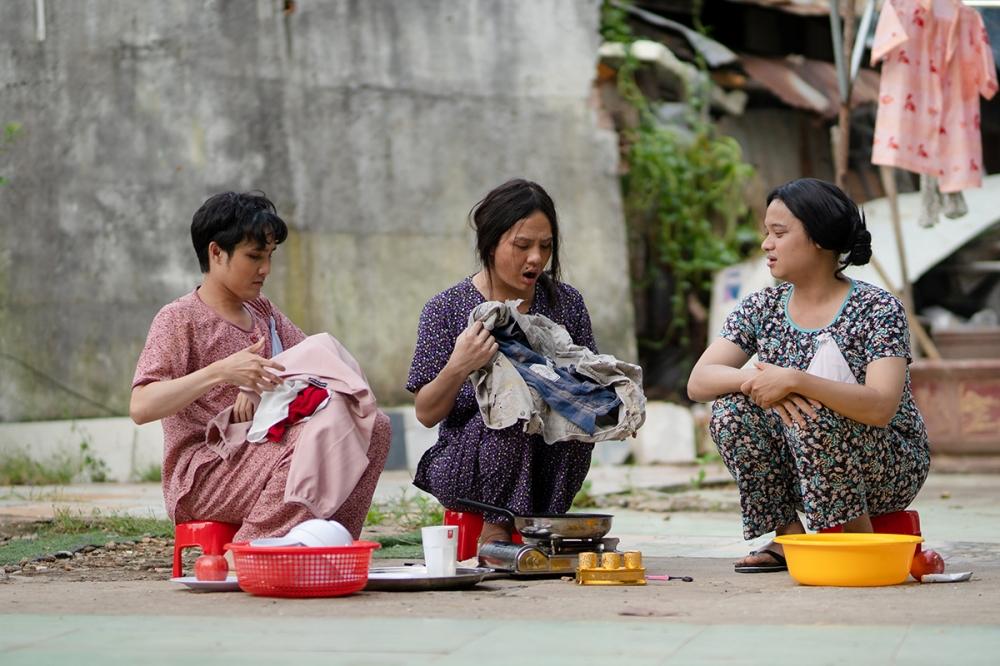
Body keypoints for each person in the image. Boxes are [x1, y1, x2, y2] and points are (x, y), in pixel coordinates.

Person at [687, 178, 930, 573]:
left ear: (818, 238)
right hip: (802, 465)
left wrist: (797, 381)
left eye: (779, 233)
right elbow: (700, 381)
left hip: (886, 466)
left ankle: (860, 540)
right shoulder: (764, 305)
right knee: (730, 411)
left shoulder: (878, 308)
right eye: (767, 232)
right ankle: (788, 538)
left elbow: (882, 406)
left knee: (811, 410)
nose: (767, 244)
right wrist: (757, 381)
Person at [130, 191, 390, 542]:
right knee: (311, 440)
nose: (265, 269)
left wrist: (260, 389)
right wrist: (221, 372)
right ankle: (253, 550)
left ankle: (328, 542)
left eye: (269, 256)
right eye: (254, 256)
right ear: (216, 252)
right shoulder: (179, 319)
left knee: (374, 425)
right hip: (204, 473)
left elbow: (316, 366)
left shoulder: (262, 313)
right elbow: (142, 406)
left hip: (265, 448)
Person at [406, 179, 598, 544]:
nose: (536, 259)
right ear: (490, 244)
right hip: (469, 462)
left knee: (569, 419)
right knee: (512, 409)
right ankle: (495, 531)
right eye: (522, 246)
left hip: (547, 462)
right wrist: (460, 364)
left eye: (545, 246)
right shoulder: (445, 309)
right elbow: (426, 413)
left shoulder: (566, 305)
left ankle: (543, 527)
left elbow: (586, 387)